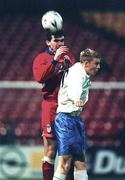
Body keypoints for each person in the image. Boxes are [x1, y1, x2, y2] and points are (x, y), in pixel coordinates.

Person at [32, 29, 75, 180]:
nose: (60, 43)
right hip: (51, 106)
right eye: (56, 41)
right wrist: (55, 60)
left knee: (68, 151)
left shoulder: (69, 57)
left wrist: (71, 69)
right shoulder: (41, 58)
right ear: (48, 42)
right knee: (51, 150)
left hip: (67, 107)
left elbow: (75, 82)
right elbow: (40, 77)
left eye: (62, 40)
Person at [53, 48, 102, 180]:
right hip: (65, 120)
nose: (98, 67)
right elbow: (74, 89)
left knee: (80, 160)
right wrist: (76, 99)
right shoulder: (77, 74)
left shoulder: (82, 73)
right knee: (65, 162)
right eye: (96, 63)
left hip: (75, 119)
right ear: (86, 63)